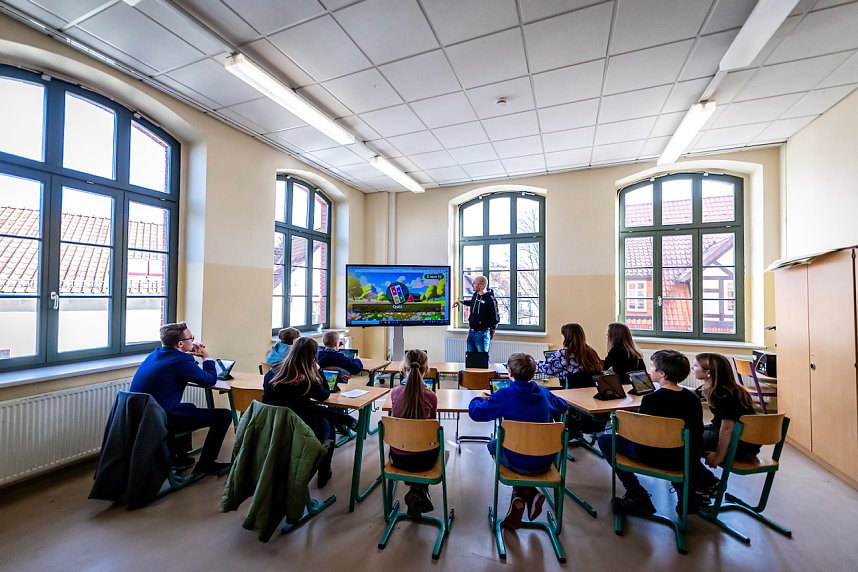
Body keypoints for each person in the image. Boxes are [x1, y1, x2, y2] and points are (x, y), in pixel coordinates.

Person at [597, 350, 709, 516]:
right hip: (684, 457)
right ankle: (687, 496)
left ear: (662, 373)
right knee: (672, 442)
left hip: (652, 456)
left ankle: (637, 495)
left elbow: (641, 436)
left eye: (651, 366)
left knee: (605, 440)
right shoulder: (692, 398)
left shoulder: (651, 400)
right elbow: (697, 431)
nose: (649, 370)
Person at [468, 353, 569, 530]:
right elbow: (563, 406)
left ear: (510, 372)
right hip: (545, 462)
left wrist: (479, 398)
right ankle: (527, 493)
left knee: (493, 445)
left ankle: (524, 492)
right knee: (511, 447)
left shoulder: (504, 395)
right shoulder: (544, 393)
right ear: (534, 373)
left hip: (518, 463)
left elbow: (476, 413)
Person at [129, 322, 232, 476]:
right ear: (180, 344)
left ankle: (181, 458)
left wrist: (188, 356)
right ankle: (206, 464)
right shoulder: (182, 361)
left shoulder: (155, 354)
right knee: (224, 416)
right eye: (191, 338)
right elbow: (210, 380)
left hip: (145, 415)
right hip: (161, 418)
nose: (194, 341)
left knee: (187, 407)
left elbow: (180, 367)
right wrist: (206, 357)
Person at [262, 337, 336, 488]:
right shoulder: (306, 379)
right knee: (329, 424)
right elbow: (325, 394)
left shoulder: (272, 372)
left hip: (271, 427)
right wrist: (318, 370)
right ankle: (324, 472)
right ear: (313, 356)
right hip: (297, 430)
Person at [693, 353, 760, 492]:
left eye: (695, 366)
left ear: (708, 373)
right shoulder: (721, 387)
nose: (692, 369)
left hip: (740, 443)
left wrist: (718, 456)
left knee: (687, 440)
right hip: (738, 437)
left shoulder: (723, 394)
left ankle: (708, 483)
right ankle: (698, 482)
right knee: (690, 431)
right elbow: (692, 393)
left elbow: (727, 428)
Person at [389, 349, 439, 517]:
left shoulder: (395, 393)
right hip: (424, 462)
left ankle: (416, 490)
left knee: (413, 445)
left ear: (404, 369)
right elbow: (432, 430)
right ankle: (419, 490)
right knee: (431, 443)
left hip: (398, 458)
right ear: (426, 370)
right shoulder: (431, 397)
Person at [537, 323, 603, 388]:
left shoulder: (564, 354)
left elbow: (547, 368)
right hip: (591, 390)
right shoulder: (591, 352)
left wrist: (534, 363)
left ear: (567, 338)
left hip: (571, 391)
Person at [452, 275, 500, 354]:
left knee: (482, 359)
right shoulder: (476, 295)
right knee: (471, 357)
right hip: (471, 332)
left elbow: (495, 317)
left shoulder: (490, 299)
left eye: (474, 283)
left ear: (480, 286)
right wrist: (460, 301)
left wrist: (493, 330)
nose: (472, 285)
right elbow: (472, 303)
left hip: (482, 333)